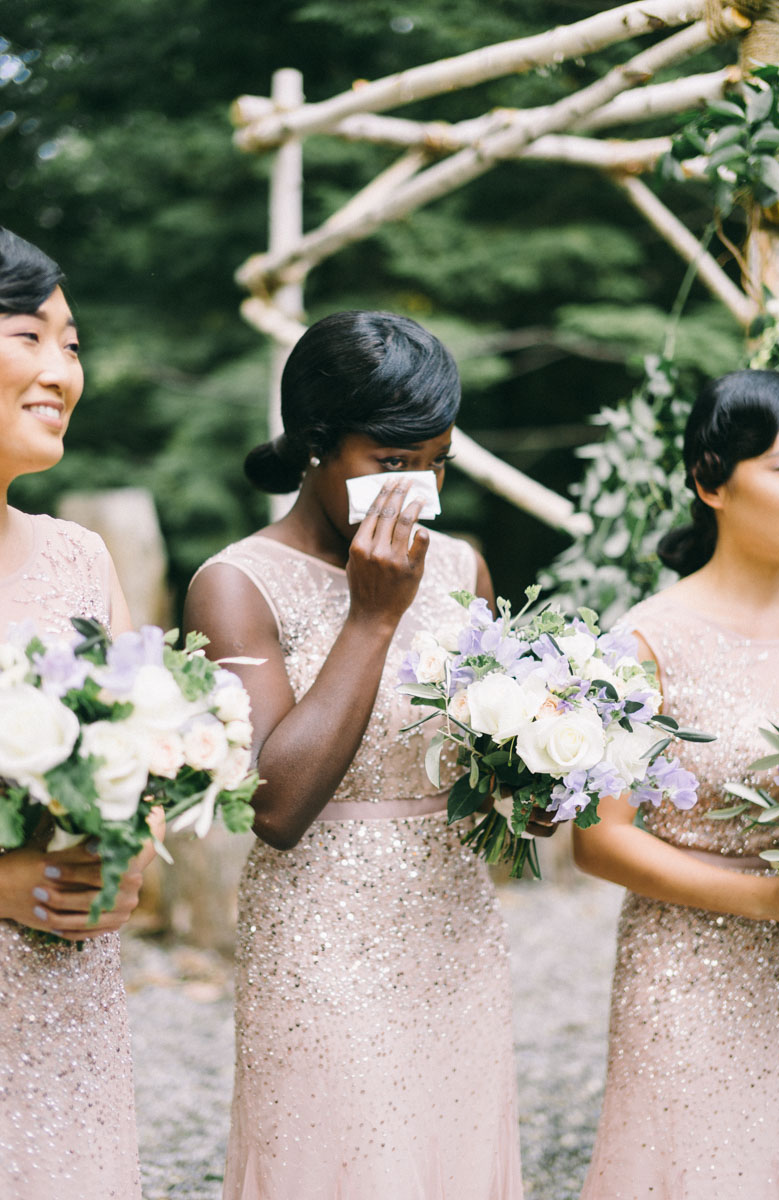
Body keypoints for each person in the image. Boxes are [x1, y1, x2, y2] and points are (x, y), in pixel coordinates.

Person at [186, 310, 531, 1199]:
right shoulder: (233, 584)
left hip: (455, 932)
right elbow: (276, 805)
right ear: (315, 446)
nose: (417, 490)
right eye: (391, 465)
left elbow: (486, 779)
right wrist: (372, 616)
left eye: (435, 464)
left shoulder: (464, 568)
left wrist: (546, 773)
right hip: (320, 943)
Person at [573, 368, 779, 1198]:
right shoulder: (641, 643)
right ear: (711, 481)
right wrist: (774, 901)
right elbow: (600, 841)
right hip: (690, 975)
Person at [0, 227, 150, 1199]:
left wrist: (132, 853)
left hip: (68, 1007)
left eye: (74, 344)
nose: (61, 369)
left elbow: (156, 750)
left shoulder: (81, 560)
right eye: (29, 335)